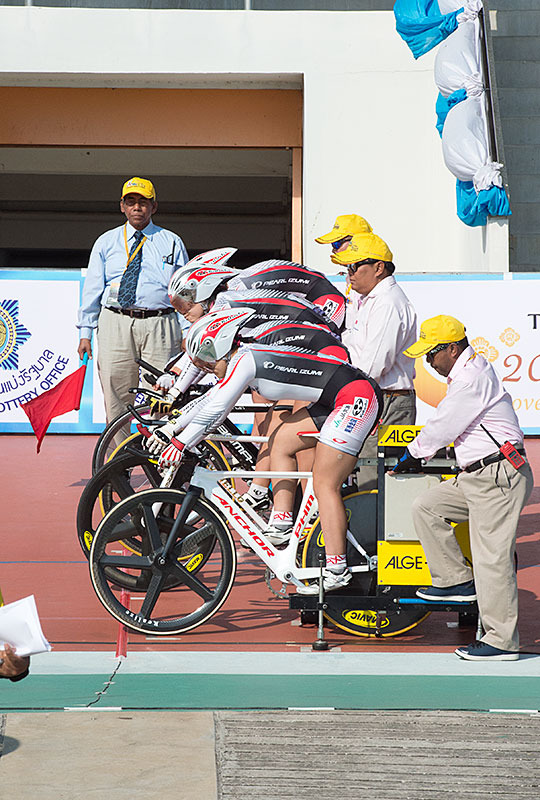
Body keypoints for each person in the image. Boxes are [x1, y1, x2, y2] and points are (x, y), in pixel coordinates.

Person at [146, 307, 382, 592]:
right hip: (332, 397)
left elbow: (218, 410)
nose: (207, 370)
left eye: (208, 363)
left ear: (220, 348)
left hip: (356, 397)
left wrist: (181, 443)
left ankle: (337, 569)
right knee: (280, 439)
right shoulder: (238, 360)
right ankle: (281, 523)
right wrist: (172, 429)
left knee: (325, 483)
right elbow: (210, 400)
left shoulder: (244, 361)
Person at [393, 315, 533, 662]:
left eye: (431, 353)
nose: (427, 361)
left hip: (497, 476)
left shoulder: (469, 378)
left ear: (452, 349)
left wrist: (413, 453)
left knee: (491, 560)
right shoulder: (468, 370)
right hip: (480, 475)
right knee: (427, 506)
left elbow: (444, 424)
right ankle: (455, 580)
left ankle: (502, 642)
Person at [77, 176, 188, 426]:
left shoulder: (171, 241)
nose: (137, 207)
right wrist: (85, 331)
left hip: (161, 323)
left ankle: (159, 459)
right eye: (131, 202)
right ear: (122, 206)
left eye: (143, 202)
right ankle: (120, 460)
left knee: (163, 391)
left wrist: (188, 331)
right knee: (116, 392)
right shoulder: (106, 242)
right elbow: (92, 289)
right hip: (115, 321)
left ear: (154, 207)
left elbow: (184, 292)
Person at [331, 231, 417, 490]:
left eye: (355, 266)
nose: (350, 273)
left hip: (386, 401)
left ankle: (371, 531)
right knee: (366, 477)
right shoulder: (372, 299)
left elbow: (372, 367)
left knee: (373, 484)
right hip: (378, 397)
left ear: (379, 268)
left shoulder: (388, 303)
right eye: (347, 267)